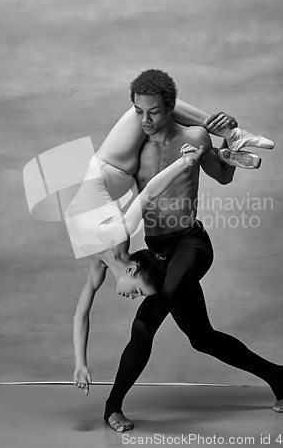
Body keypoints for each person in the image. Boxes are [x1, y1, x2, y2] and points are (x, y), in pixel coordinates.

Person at [100, 69, 283, 432]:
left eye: (153, 112)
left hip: (191, 243)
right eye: (139, 112)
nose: (145, 120)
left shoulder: (195, 135)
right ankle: (276, 375)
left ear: (171, 107)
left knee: (146, 320)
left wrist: (228, 143)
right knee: (202, 338)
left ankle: (112, 408)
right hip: (156, 251)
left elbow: (223, 175)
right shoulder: (134, 147)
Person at [70, 143, 205, 395]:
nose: (134, 297)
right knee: (148, 108)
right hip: (106, 166)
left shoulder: (99, 266)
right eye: (139, 292)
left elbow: (81, 315)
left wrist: (81, 363)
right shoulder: (117, 235)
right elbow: (148, 193)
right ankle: (226, 138)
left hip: (101, 180)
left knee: (152, 111)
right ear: (131, 270)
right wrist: (184, 162)